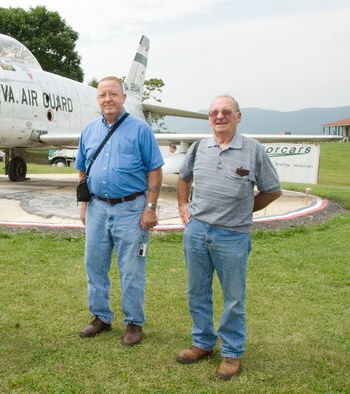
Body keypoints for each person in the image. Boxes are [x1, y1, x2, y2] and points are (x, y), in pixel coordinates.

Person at [176, 95, 282, 379]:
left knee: (234, 298)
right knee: (197, 292)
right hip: (197, 231)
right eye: (214, 113)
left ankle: (232, 352)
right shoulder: (199, 148)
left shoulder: (253, 150)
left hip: (232, 236)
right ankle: (202, 343)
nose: (219, 116)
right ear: (209, 118)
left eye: (226, 112)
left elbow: (272, 190)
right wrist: (183, 207)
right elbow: (183, 177)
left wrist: (246, 209)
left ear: (238, 116)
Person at [74, 76, 164, 346]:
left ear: (124, 98)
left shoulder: (140, 130)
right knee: (95, 265)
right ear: (98, 99)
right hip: (98, 208)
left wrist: (150, 208)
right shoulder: (89, 130)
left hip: (131, 209)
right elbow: (81, 167)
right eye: (102, 95)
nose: (108, 99)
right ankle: (101, 317)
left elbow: (155, 170)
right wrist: (84, 204)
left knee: (132, 268)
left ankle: (134, 322)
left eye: (113, 94)